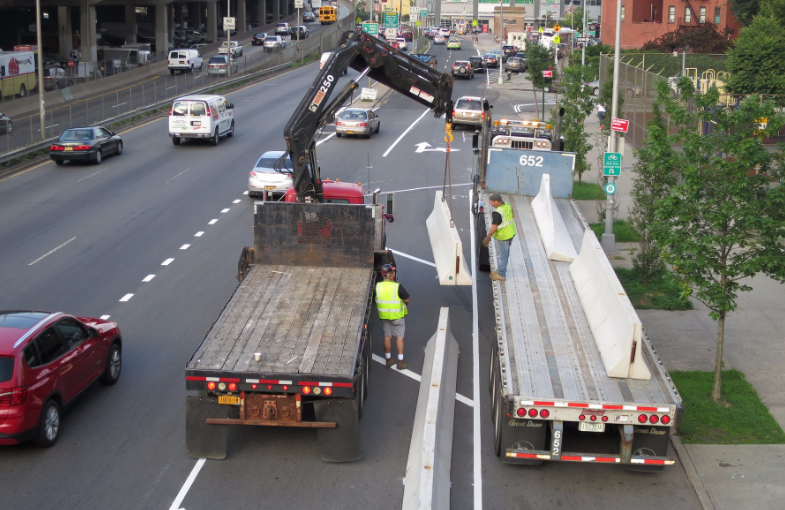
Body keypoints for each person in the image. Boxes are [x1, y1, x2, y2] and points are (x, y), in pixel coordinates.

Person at [374, 264, 410, 370]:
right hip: (397, 317)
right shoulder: (397, 286)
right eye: (393, 272)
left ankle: (388, 360)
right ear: (390, 274)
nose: (394, 273)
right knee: (399, 338)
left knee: (387, 336)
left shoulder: (377, 286)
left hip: (384, 317)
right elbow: (407, 299)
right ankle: (400, 362)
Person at [482, 193, 517, 281]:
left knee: (502, 256)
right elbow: (512, 216)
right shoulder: (507, 205)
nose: (491, 204)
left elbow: (494, 227)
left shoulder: (497, 213)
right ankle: (500, 271)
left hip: (503, 237)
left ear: (497, 201)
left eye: (492, 202)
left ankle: (501, 274)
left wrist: (488, 236)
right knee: (504, 254)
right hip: (510, 233)